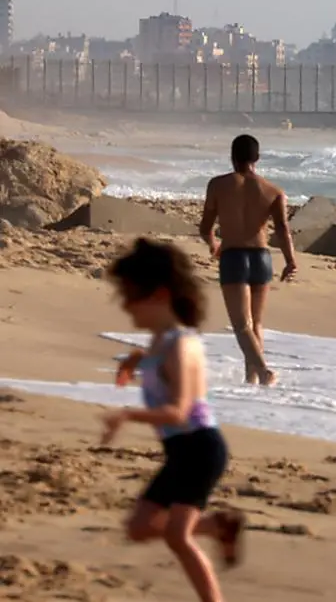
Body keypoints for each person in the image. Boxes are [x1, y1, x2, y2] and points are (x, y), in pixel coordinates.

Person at [100, 237, 245, 602]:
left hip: (200, 448)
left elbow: (178, 410)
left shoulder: (181, 344)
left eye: (131, 296)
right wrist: (134, 360)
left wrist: (125, 415)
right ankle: (217, 526)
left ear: (160, 295)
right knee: (138, 528)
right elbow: (155, 364)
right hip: (181, 451)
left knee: (178, 536)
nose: (126, 307)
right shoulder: (160, 340)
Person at [199, 134, 297, 386]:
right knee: (257, 325)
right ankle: (251, 379)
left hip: (233, 256)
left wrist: (214, 245)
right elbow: (283, 230)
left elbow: (206, 227)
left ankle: (264, 371)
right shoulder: (273, 191)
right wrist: (290, 260)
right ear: (257, 159)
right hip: (262, 258)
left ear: (232, 157)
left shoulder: (218, 185)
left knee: (242, 326)